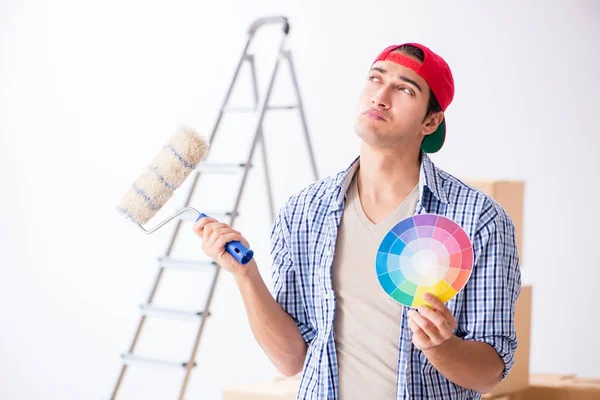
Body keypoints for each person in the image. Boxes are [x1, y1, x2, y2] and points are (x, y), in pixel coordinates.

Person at [193, 42, 522, 400]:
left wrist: (441, 346)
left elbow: (490, 373)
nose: (380, 97)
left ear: (431, 121)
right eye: (374, 79)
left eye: (404, 89)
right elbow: (291, 360)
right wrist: (245, 274)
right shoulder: (304, 212)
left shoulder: (479, 220)